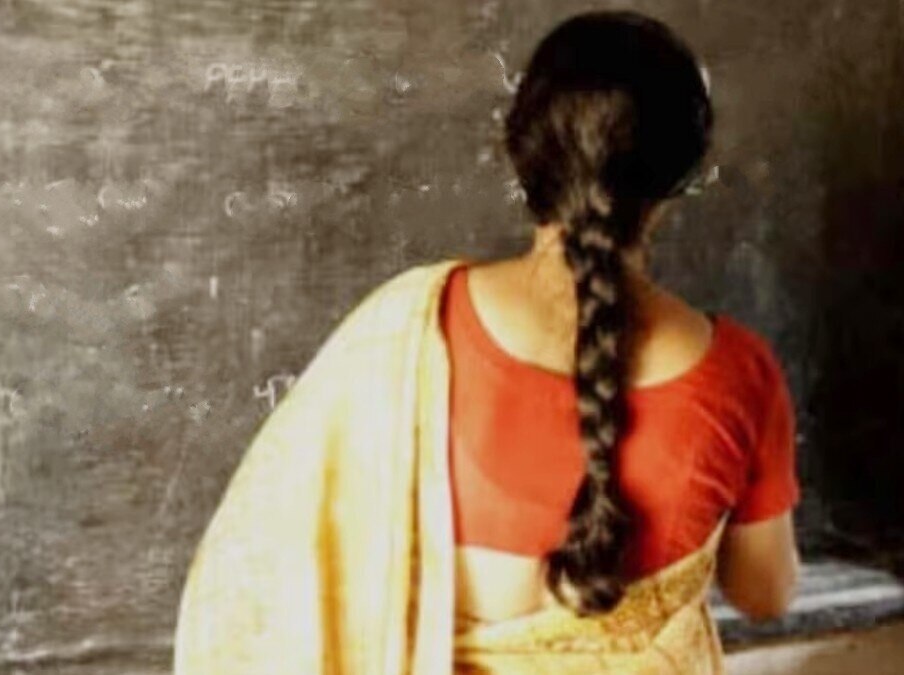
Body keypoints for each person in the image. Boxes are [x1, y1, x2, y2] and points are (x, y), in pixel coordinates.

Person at [174, 10, 800, 675]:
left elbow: (254, 571)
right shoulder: (738, 372)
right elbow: (765, 592)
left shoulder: (405, 333)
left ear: (522, 149)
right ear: (679, 177)